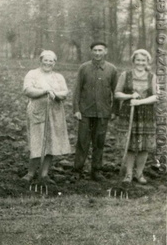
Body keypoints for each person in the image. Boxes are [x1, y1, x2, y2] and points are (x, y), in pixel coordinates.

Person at [22, 50, 71, 184]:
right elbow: (27, 90)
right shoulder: (32, 74)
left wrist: (54, 93)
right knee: (37, 142)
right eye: (46, 60)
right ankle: (30, 173)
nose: (48, 63)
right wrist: (44, 91)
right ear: (41, 60)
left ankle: (44, 174)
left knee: (51, 142)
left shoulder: (58, 77)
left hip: (55, 113)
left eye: (51, 61)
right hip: (38, 112)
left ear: (54, 63)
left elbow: (64, 92)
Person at [72, 41, 119, 181]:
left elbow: (116, 91)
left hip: (103, 112)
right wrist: (76, 109)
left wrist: (114, 111)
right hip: (85, 112)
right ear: (91, 51)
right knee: (82, 142)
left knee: (99, 142)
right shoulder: (84, 68)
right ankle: (77, 170)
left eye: (100, 50)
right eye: (95, 50)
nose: (97, 53)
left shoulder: (112, 69)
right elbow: (77, 90)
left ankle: (96, 171)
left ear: (105, 51)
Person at [114, 49, 158, 184]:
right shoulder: (125, 75)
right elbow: (117, 93)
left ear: (147, 62)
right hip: (129, 112)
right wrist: (130, 96)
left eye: (143, 60)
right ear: (133, 61)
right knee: (130, 144)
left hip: (146, 113)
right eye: (138, 60)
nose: (140, 63)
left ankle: (139, 174)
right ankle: (128, 174)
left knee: (144, 146)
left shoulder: (152, 77)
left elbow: (156, 96)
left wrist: (140, 101)